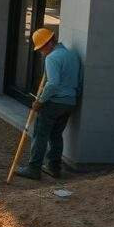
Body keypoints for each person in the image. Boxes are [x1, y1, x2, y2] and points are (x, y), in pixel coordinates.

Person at [16, 28, 82, 180]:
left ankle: (34, 168)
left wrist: (40, 101)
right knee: (56, 135)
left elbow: (52, 84)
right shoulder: (73, 56)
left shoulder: (52, 58)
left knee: (40, 135)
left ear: (49, 43)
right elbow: (78, 81)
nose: (41, 52)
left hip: (54, 103)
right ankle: (54, 167)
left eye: (41, 48)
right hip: (69, 102)